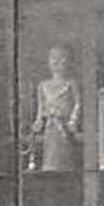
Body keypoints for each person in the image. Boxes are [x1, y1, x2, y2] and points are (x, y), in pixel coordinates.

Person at [29, 44, 81, 172]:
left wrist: (73, 121)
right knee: (50, 154)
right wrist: (38, 122)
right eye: (53, 58)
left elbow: (77, 104)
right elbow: (41, 108)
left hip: (64, 126)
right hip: (50, 126)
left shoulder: (70, 84)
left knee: (64, 154)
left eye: (62, 58)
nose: (57, 62)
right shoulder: (43, 85)